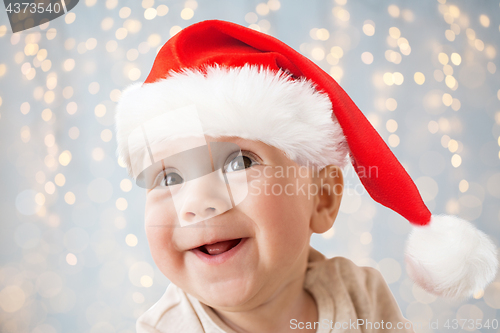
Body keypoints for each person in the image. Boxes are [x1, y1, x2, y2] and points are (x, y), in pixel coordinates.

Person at [114, 20, 498, 333]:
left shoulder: (362, 296)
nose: (196, 203)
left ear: (323, 198)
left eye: (240, 162)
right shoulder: (165, 328)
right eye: (168, 178)